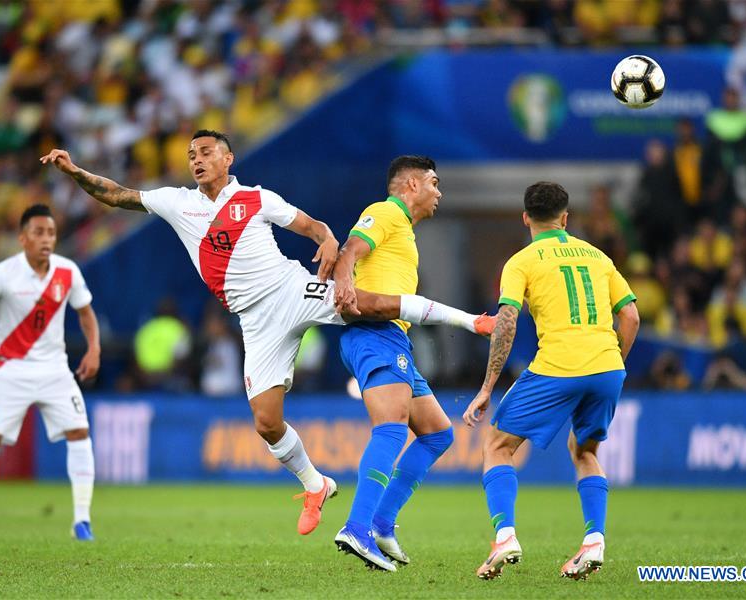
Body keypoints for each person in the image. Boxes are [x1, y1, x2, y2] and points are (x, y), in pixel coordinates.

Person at [40, 130, 495, 536]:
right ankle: (316, 485)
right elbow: (117, 195)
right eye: (191, 154)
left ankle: (467, 322)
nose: (196, 160)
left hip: (290, 288)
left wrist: (329, 245)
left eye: (205, 152)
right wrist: (74, 170)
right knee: (266, 421)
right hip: (254, 321)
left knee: (363, 302)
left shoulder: (257, 199)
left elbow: (312, 226)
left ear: (228, 158)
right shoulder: (177, 202)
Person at [462, 182, 640, 581]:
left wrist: (488, 386)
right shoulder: (598, 256)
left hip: (558, 364)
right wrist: (613, 363)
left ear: (526, 218)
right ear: (566, 218)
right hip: (608, 367)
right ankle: (595, 540)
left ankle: (505, 536)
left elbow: (506, 321)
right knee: (584, 450)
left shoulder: (521, 262)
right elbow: (630, 317)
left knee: (497, 444)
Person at [331, 156, 456, 572]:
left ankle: (381, 522)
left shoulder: (405, 231)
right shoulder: (385, 212)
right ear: (412, 185)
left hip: (393, 338)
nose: (439, 191)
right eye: (434, 182)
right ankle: (357, 526)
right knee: (391, 428)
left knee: (438, 433)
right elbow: (351, 249)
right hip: (374, 334)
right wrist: (344, 282)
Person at [0, 204, 100, 541]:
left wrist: (94, 348)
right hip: (11, 370)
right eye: (38, 233)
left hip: (55, 371)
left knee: (79, 432)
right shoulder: (3, 274)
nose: (46, 239)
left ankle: (82, 521)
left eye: (50, 233)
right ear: (23, 238)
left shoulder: (68, 271)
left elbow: (86, 313)